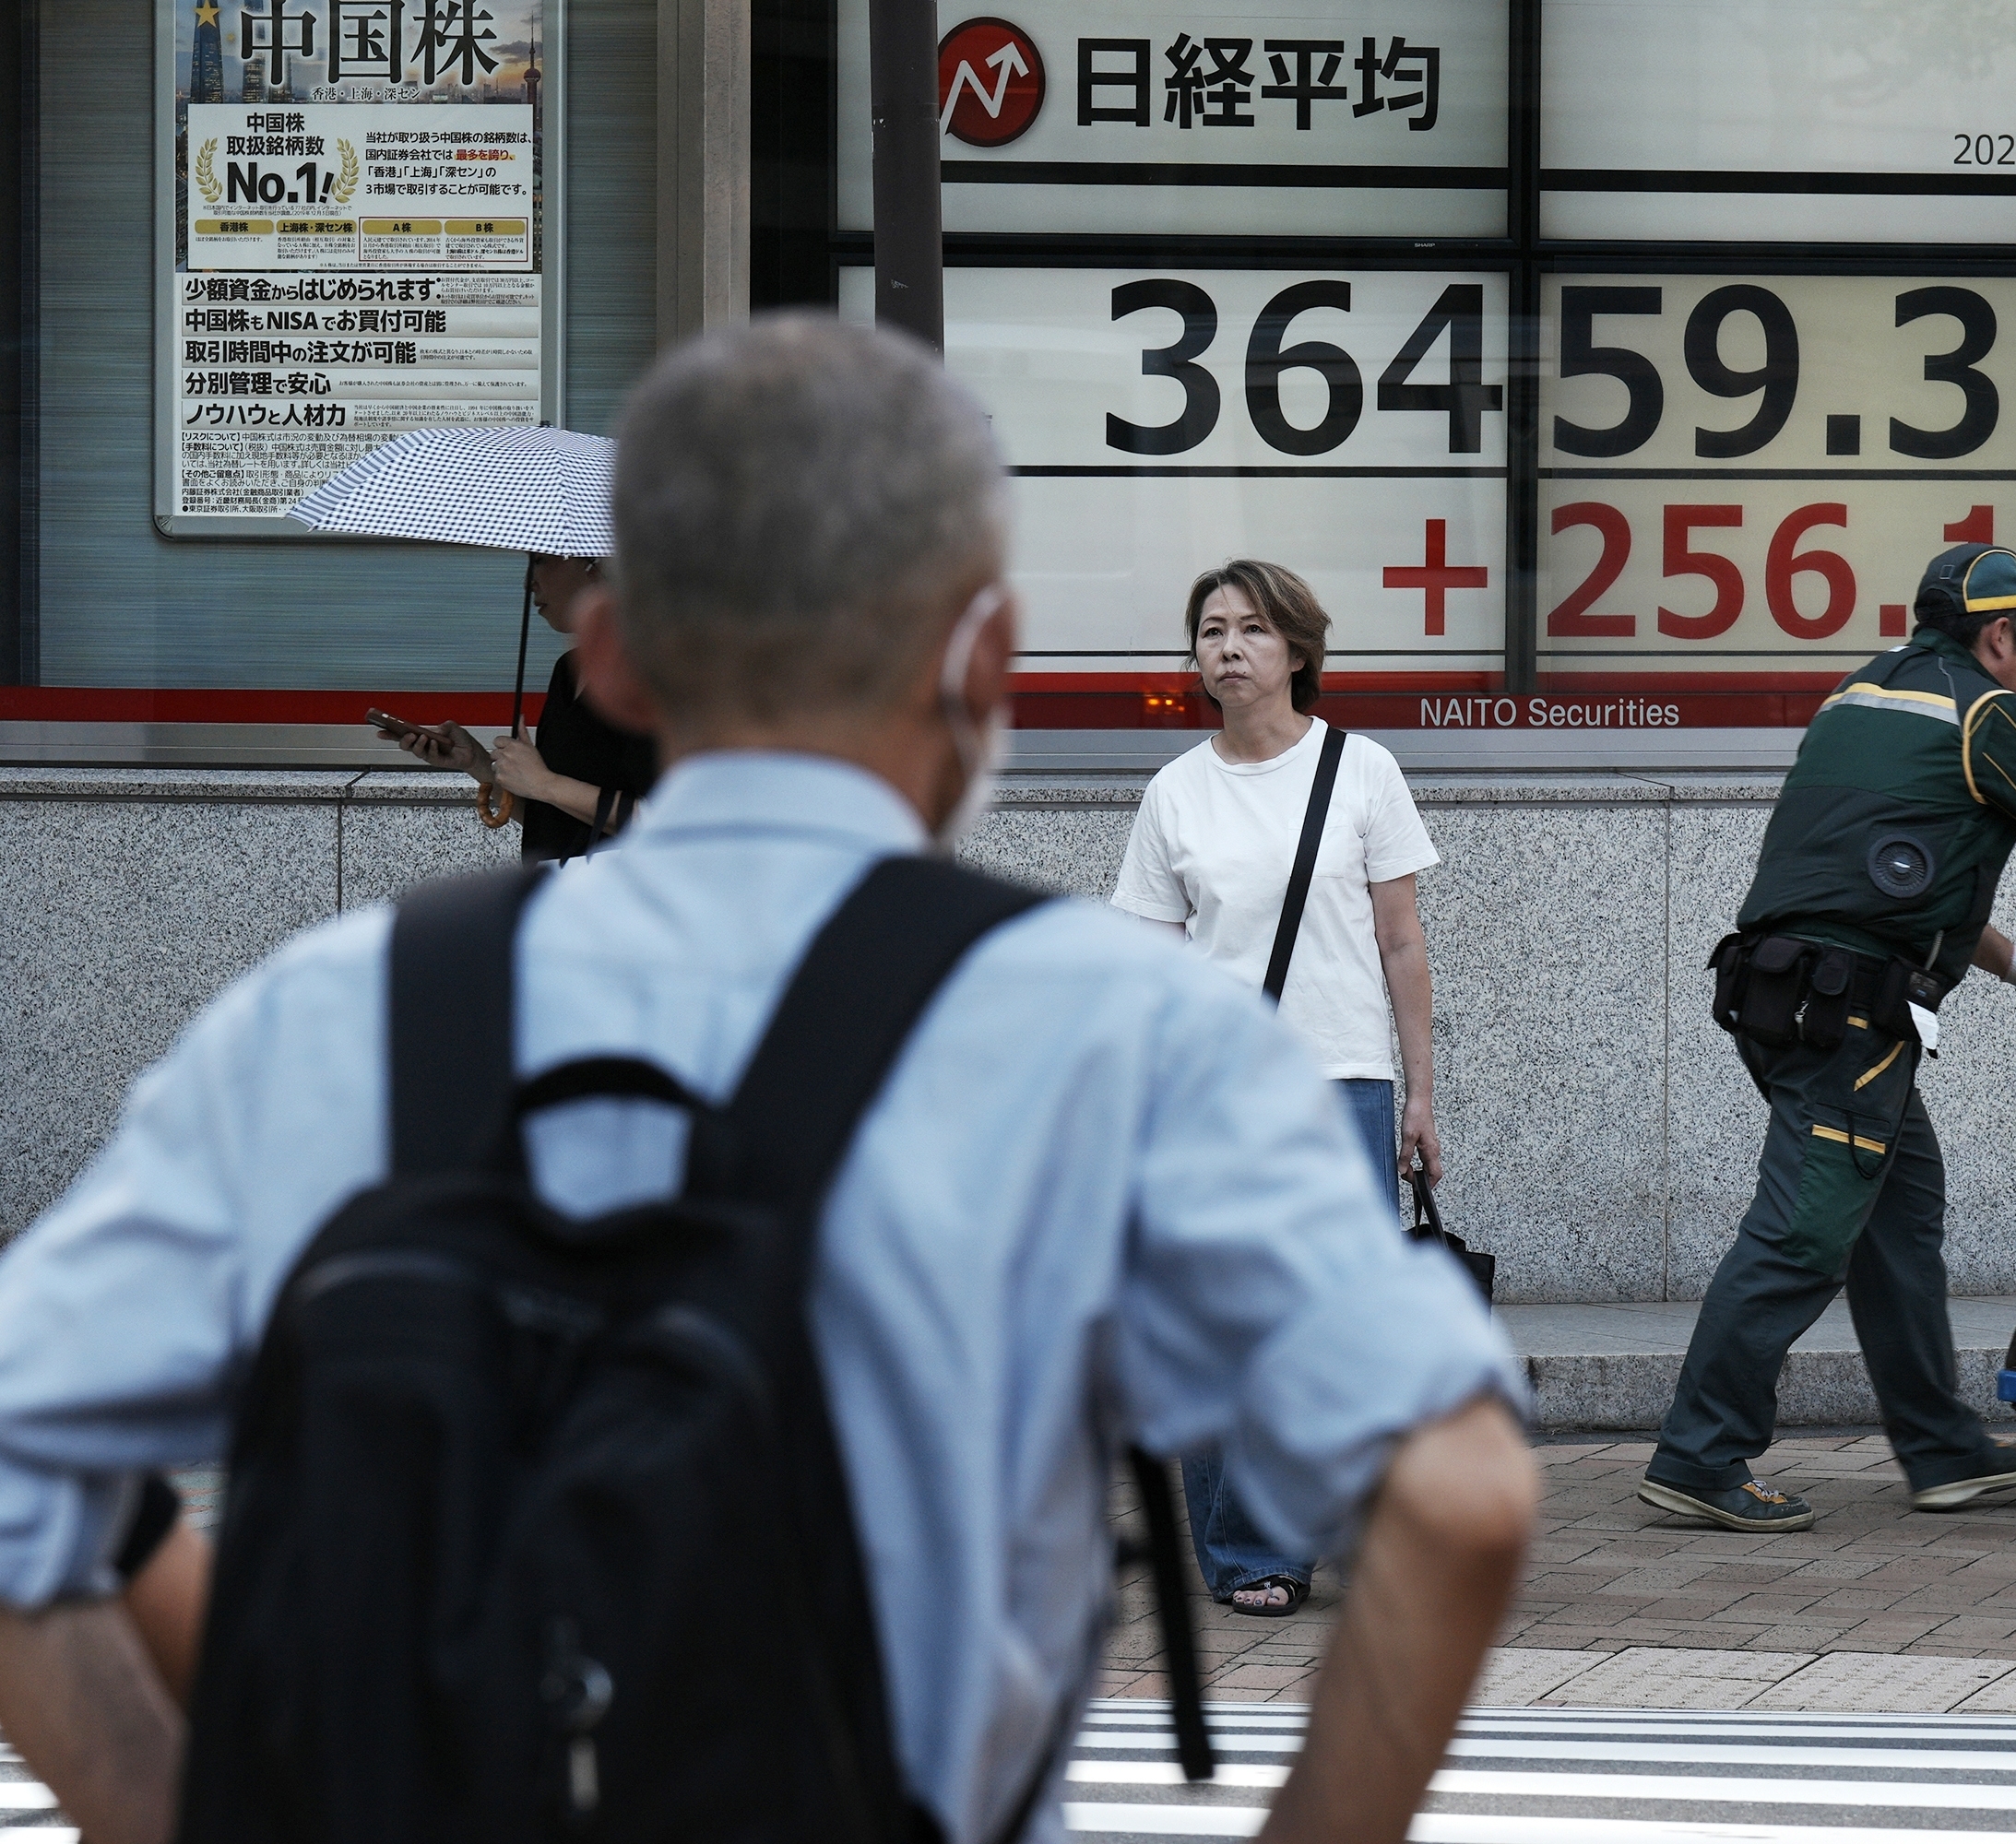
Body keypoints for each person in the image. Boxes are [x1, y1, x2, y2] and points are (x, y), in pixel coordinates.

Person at [0, 315, 1536, 1844]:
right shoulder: (1117, 1035)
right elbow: (1460, 1492)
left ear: (611, 654)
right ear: (986, 656)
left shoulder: (338, 1016)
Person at [1642, 542, 2016, 1531]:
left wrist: (2010, 961)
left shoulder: (1859, 695)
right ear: (1999, 632)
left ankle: (1941, 1448)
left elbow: (1878, 867)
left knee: (1900, 1210)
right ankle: (1701, 1452)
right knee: (1801, 1235)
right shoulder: (1988, 712)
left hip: (1780, 991)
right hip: (1852, 1020)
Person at [1111, 559, 1444, 1620]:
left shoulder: (1362, 771)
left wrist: (1421, 1096)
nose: (1228, 646)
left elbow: (1402, 945)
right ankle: (1249, 1546)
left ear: (1297, 649)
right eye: (1210, 628)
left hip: (1344, 1080)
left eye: (1252, 628)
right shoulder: (1175, 791)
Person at [380, 551, 662, 860]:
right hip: (558, 893)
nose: (529, 583)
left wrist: (547, 784)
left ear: (594, 565)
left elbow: (667, 821)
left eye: (540, 560)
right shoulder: (568, 670)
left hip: (617, 900)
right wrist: (474, 762)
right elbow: (556, 823)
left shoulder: (651, 676)